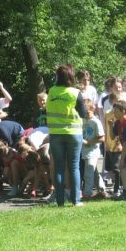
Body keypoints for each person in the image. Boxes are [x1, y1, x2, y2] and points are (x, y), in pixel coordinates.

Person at [46, 64, 86, 206]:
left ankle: (60, 201)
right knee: (74, 167)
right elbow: (83, 113)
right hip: (73, 133)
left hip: (56, 134)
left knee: (59, 168)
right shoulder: (75, 93)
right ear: (71, 76)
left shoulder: (51, 91)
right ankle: (76, 200)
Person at [81, 99, 106, 200]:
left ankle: (87, 194)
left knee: (88, 174)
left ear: (92, 109)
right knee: (95, 173)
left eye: (86, 110)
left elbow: (102, 138)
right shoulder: (83, 120)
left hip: (93, 152)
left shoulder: (96, 121)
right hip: (85, 152)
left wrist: (88, 142)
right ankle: (102, 190)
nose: (84, 112)